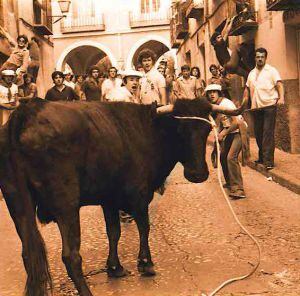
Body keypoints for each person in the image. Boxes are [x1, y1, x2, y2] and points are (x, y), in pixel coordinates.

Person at [243, 47, 284, 170]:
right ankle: (262, 157)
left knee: (267, 133)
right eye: (258, 56)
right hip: (256, 107)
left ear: (265, 58)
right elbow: (247, 89)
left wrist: (281, 98)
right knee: (259, 133)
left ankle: (268, 161)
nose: (260, 59)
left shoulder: (271, 71)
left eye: (262, 57)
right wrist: (244, 102)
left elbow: (279, 85)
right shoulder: (251, 73)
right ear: (255, 58)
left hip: (269, 106)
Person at [205, 84, 246, 199]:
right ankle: (230, 182)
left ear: (219, 93)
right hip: (229, 133)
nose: (212, 94)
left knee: (231, 158)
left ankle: (238, 189)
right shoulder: (216, 106)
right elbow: (220, 123)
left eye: (214, 92)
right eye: (210, 92)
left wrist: (223, 133)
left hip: (238, 131)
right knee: (222, 156)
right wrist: (218, 134)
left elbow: (236, 122)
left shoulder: (226, 104)